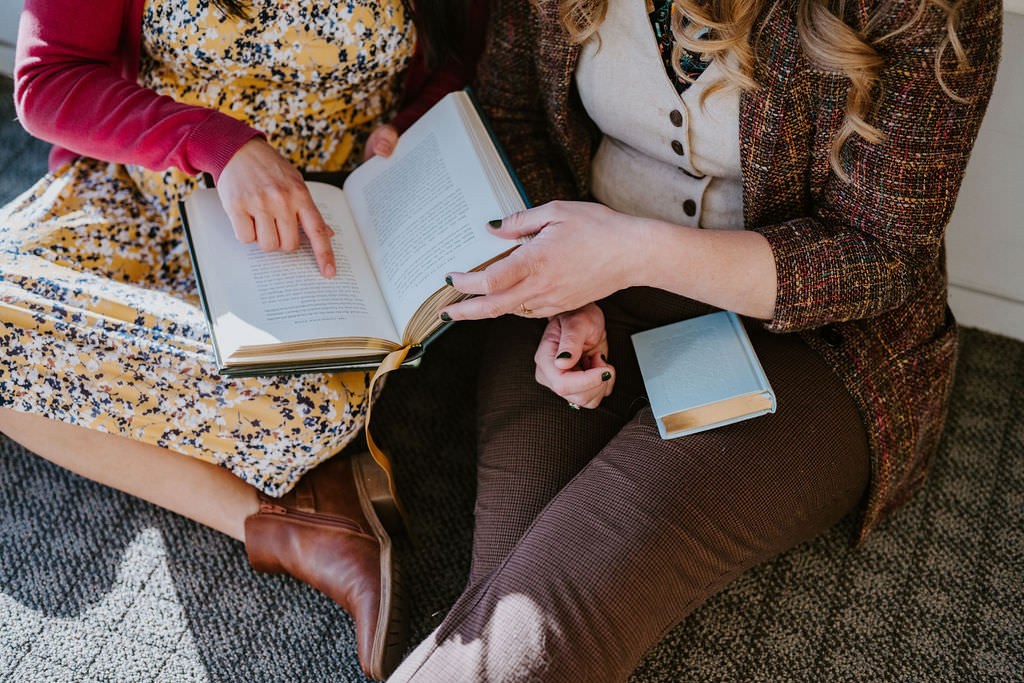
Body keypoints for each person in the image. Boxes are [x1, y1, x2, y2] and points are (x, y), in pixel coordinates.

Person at [386, 0, 1002, 679]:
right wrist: (572, 294)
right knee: (510, 593)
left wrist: (631, 254)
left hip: (816, 338)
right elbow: (512, 115)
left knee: (552, 613)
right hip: (584, 283)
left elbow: (883, 255)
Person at [2, 0, 481, 678]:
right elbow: (48, 80)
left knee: (314, 398)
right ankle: (289, 514)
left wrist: (407, 126)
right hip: (133, 192)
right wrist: (222, 145)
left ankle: (296, 457)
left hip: (308, 250)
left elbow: (464, 51)